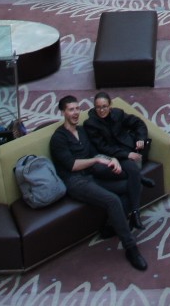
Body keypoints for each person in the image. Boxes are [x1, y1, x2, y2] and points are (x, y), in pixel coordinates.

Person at [48, 95, 148, 271]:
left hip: (92, 177)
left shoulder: (83, 131)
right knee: (112, 200)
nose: (75, 112)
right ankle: (131, 248)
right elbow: (72, 165)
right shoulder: (58, 138)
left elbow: (97, 152)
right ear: (63, 112)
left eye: (77, 108)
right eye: (71, 109)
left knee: (133, 186)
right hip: (75, 182)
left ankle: (110, 227)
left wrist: (112, 159)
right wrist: (95, 161)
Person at [84, 92, 155, 178]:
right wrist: (127, 154)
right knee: (133, 169)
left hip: (131, 146)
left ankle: (138, 171)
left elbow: (138, 123)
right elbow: (102, 147)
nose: (101, 110)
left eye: (104, 106)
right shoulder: (90, 124)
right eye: (98, 107)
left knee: (137, 160)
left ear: (110, 105)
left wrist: (140, 139)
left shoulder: (118, 113)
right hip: (115, 154)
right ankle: (141, 177)